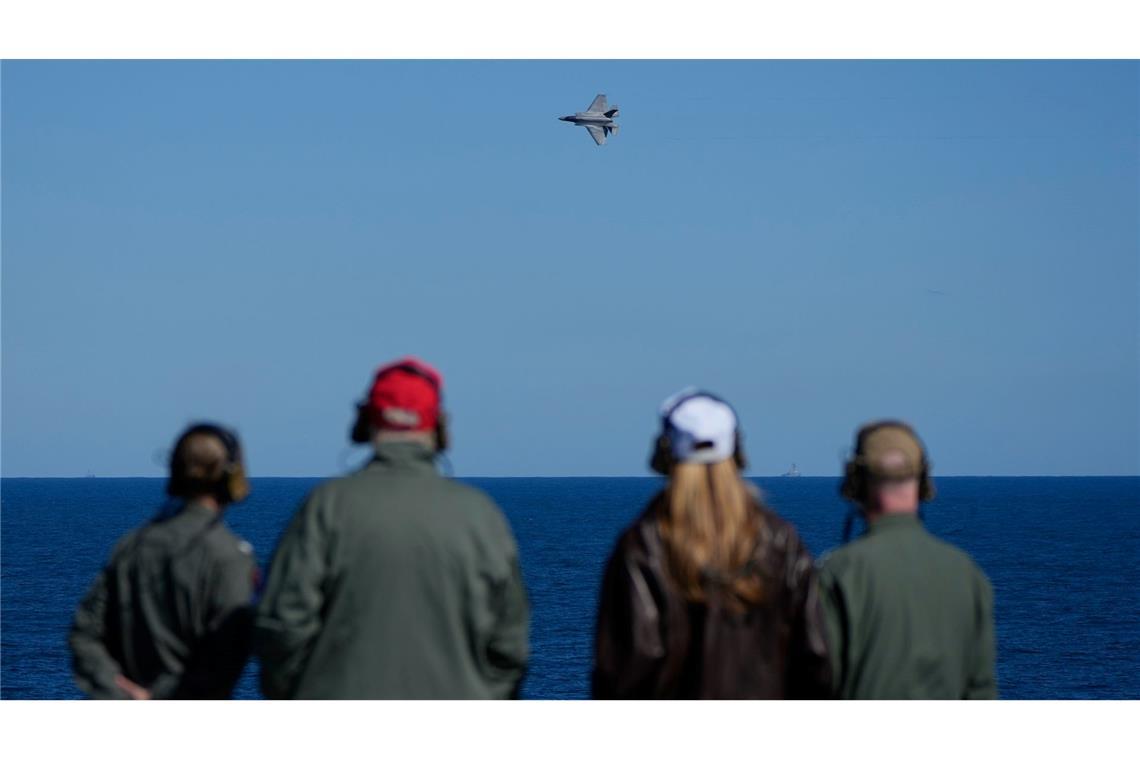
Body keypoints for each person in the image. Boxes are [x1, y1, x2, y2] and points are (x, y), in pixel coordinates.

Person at [254, 357, 529, 699]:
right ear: (438, 426)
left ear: (365, 419)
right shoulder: (481, 516)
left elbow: (283, 624)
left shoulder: (326, 508)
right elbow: (510, 647)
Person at [592, 389, 832, 699]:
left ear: (662, 454)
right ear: (738, 450)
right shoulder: (781, 543)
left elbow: (624, 673)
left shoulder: (642, 547)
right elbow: (817, 662)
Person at [69, 423, 257, 699]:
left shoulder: (130, 547)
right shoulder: (231, 557)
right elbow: (226, 656)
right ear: (232, 478)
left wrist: (120, 690)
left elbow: (84, 633)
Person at [817, 421, 997, 699]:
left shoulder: (838, 573)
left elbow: (816, 684)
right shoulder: (968, 575)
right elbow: (981, 691)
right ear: (924, 481)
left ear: (855, 482)